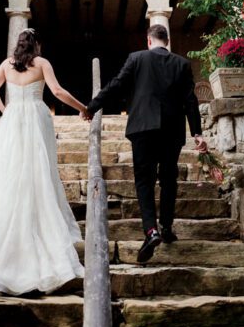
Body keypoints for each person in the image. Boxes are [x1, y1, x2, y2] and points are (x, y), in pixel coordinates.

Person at [0, 28, 88, 298]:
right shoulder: (42, 63)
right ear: (36, 44)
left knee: (11, 174)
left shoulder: (6, 64)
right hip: (36, 117)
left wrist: (6, 110)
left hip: (12, 120)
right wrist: (83, 108)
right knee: (38, 172)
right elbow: (57, 91)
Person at [84, 24, 202, 263]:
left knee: (144, 180)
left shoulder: (136, 58)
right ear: (166, 41)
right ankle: (166, 227)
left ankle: (151, 231)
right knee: (169, 178)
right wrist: (198, 133)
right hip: (172, 130)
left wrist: (92, 106)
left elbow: (117, 84)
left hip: (143, 128)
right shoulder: (182, 63)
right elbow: (190, 100)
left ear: (149, 40)